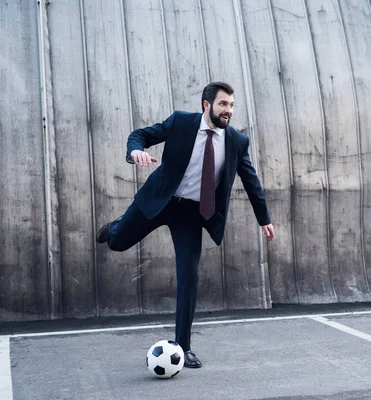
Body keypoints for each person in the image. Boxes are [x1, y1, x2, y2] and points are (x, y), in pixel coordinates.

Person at [95, 81, 275, 368]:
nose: (228, 110)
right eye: (223, 104)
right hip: (160, 200)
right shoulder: (180, 122)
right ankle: (114, 227)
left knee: (189, 278)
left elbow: (251, 181)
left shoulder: (237, 142)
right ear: (207, 105)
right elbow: (140, 135)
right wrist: (135, 152)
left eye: (231, 105)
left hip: (192, 214)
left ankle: (184, 346)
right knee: (117, 243)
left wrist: (264, 219)